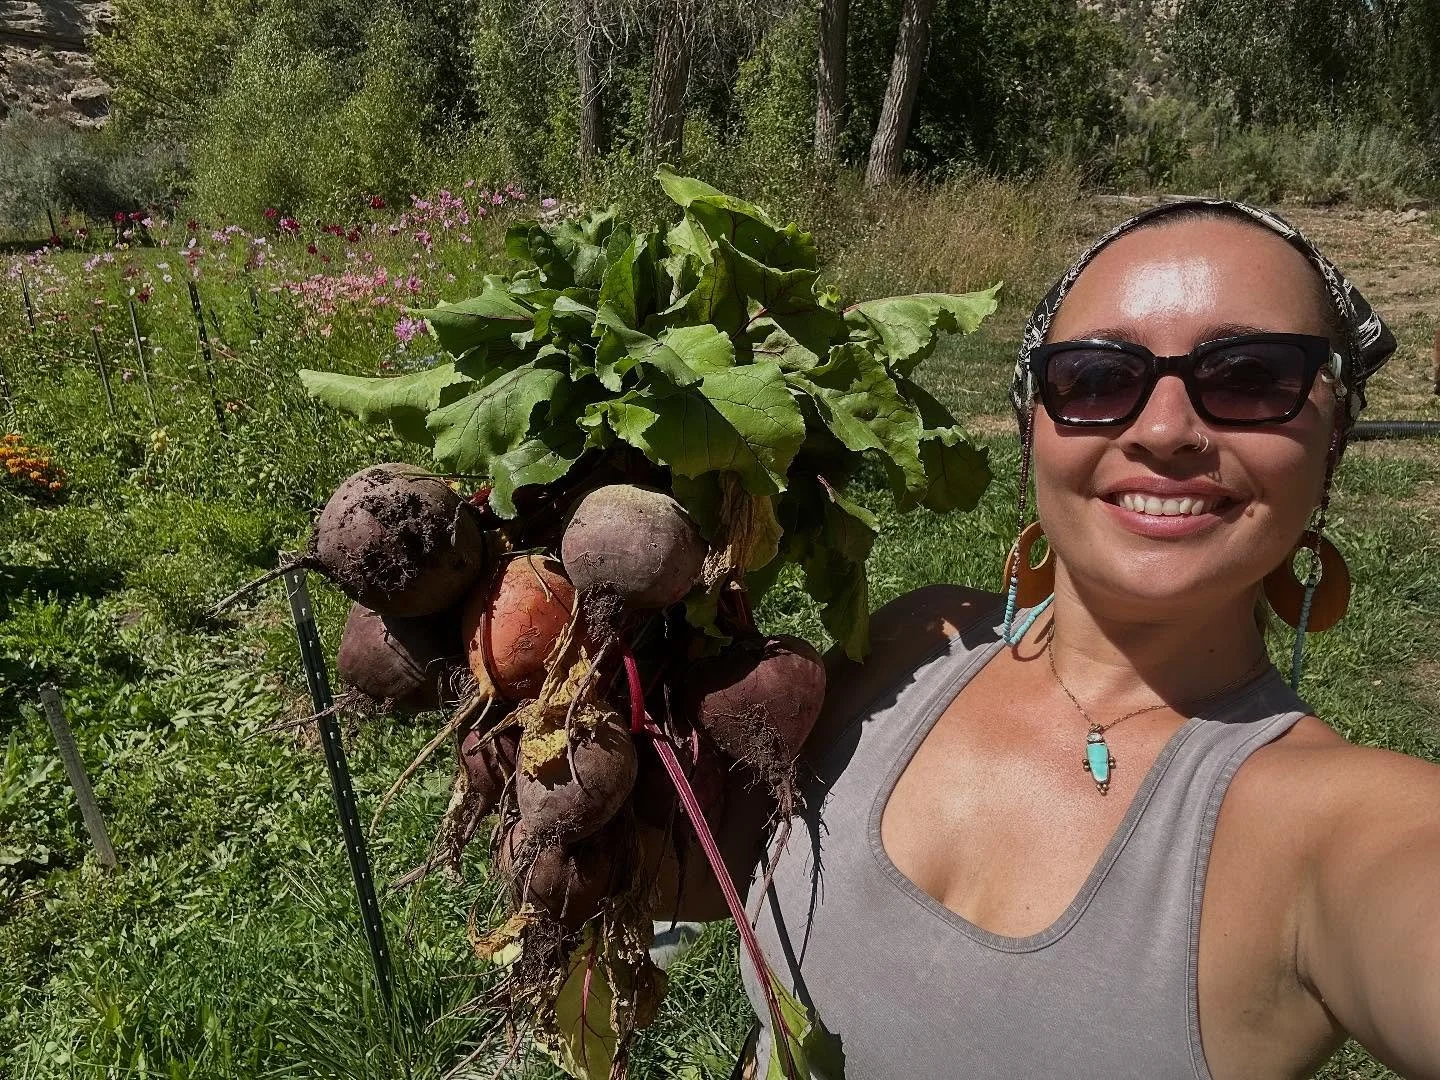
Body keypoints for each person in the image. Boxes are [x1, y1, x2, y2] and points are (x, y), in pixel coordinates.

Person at [690, 200, 1440, 1079]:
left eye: (1250, 375)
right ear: (1033, 430)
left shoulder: (1344, 827)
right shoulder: (910, 647)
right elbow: (723, 882)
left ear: (1332, 442)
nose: (1164, 431)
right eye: (1095, 377)